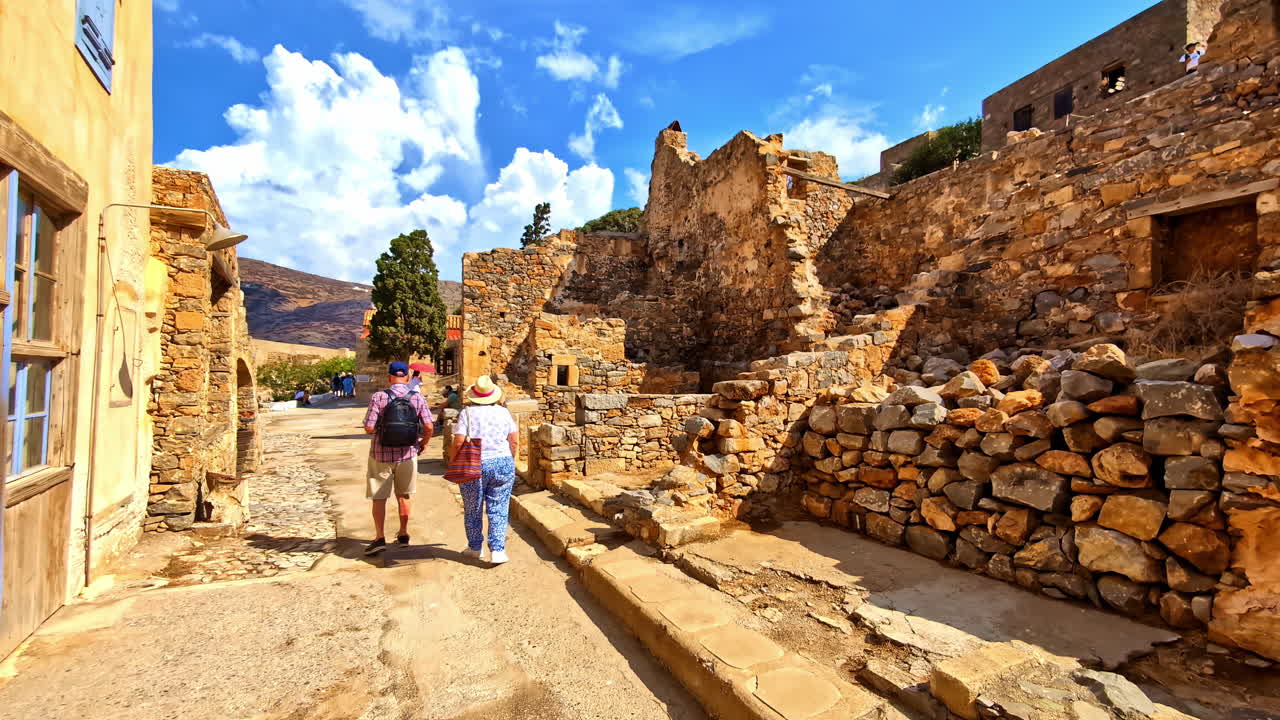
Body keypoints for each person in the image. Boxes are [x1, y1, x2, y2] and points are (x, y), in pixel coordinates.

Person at [362, 361, 434, 555]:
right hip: (408, 454)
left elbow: (369, 427)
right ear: (408, 378)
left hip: (380, 455)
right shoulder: (417, 398)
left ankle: (379, 538)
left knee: (379, 498)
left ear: (389, 377)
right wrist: (423, 443)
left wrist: (381, 428)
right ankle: (403, 534)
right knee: (403, 495)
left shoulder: (379, 397)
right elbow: (428, 426)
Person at [452, 375, 519, 565]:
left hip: (475, 463)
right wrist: (509, 458)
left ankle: (475, 547)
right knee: (499, 506)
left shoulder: (467, 413)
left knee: (473, 507)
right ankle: (498, 550)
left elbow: (458, 441)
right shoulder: (504, 413)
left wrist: (454, 461)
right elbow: (513, 440)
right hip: (502, 461)